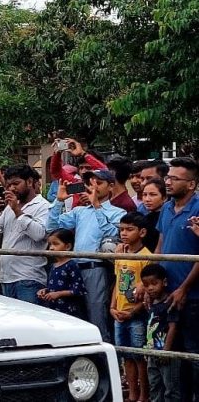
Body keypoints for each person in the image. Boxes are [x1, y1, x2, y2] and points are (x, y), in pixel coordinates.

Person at [47, 169, 126, 342]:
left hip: (95, 267)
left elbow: (112, 233)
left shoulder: (118, 213)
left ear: (111, 186)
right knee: (73, 315)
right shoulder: (80, 211)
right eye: (91, 183)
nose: (94, 186)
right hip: (73, 267)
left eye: (99, 182)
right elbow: (52, 227)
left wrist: (97, 205)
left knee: (97, 316)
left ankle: (103, 358)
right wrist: (59, 201)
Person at [154, 157, 199, 398]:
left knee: (193, 354)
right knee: (172, 354)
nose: (168, 182)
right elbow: (161, 244)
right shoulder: (167, 208)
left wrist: (183, 288)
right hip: (167, 294)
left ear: (191, 184)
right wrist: (148, 278)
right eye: (167, 177)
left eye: (174, 178)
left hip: (192, 296)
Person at [0, 164, 50, 304]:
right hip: (6, 277)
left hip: (29, 278)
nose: (11, 189)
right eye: (8, 185)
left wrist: (17, 211)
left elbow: (39, 234)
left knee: (30, 322)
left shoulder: (43, 206)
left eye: (16, 183)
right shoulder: (10, 208)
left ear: (30, 182)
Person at [110, 212, 151, 402]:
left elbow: (150, 290)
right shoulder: (121, 254)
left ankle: (144, 395)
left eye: (129, 229)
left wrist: (133, 311)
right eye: (121, 230)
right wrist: (112, 307)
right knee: (126, 355)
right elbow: (117, 282)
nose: (124, 233)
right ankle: (133, 394)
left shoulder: (146, 257)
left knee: (139, 356)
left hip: (137, 314)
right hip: (120, 313)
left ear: (142, 232)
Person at [142, 264, 181, 402]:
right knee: (155, 386)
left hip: (167, 354)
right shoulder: (151, 304)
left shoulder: (169, 302)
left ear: (164, 282)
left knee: (171, 389)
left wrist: (166, 350)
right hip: (153, 353)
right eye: (146, 285)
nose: (150, 288)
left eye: (154, 283)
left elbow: (173, 327)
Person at [37, 229, 86, 318]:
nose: (51, 248)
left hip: (67, 311)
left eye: (55, 244)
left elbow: (78, 290)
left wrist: (58, 294)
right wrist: (45, 290)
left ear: (67, 246)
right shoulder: (53, 266)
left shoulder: (71, 265)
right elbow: (54, 286)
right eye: (50, 244)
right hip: (53, 309)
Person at [141, 178, 166, 251]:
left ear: (164, 197)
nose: (147, 199)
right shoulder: (145, 218)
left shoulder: (166, 217)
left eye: (153, 195)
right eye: (144, 195)